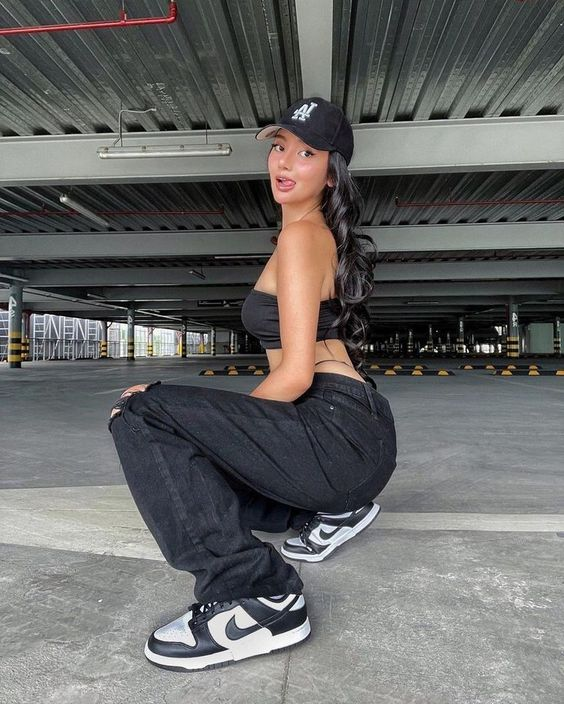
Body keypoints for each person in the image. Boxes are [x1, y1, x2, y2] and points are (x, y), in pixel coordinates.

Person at [108, 96, 397, 672]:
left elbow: (293, 373)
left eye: (306, 152)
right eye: (279, 147)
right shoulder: (305, 236)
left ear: (333, 171)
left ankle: (258, 596)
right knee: (190, 477)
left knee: (145, 416)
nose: (284, 163)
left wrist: (207, 427)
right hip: (348, 443)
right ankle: (329, 513)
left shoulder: (303, 238)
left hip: (335, 431)